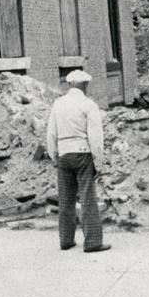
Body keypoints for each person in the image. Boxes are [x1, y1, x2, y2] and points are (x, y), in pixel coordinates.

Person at [46, 69, 110, 253]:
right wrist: (98, 161)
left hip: (63, 154)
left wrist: (53, 155)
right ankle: (93, 242)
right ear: (85, 85)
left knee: (65, 199)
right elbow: (95, 136)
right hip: (82, 153)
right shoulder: (88, 104)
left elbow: (51, 133)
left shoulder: (58, 104)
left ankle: (66, 240)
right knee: (88, 198)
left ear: (69, 85)